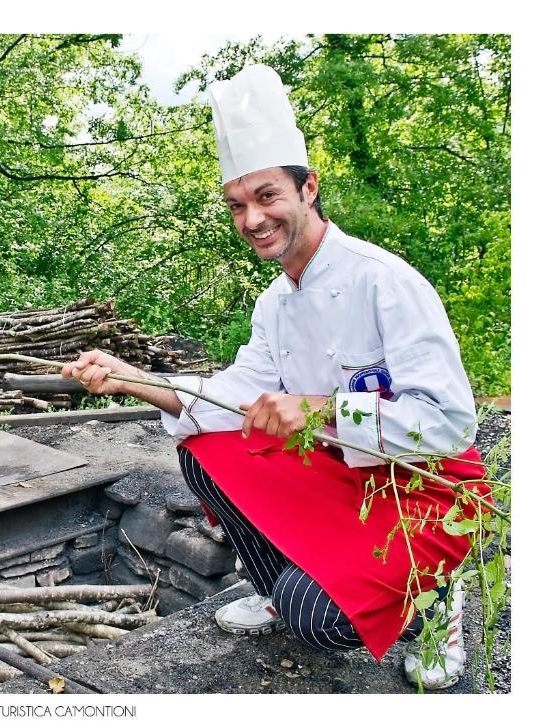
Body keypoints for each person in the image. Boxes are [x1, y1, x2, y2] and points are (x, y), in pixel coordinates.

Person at [61, 64, 488, 690]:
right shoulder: (274, 302)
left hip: (421, 488)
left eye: (267, 196)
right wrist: (130, 378)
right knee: (206, 452)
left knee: (314, 613)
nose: (253, 219)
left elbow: (450, 423)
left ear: (307, 187)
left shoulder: (384, 281)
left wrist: (321, 410)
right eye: (238, 206)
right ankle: (276, 587)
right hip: (342, 472)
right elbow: (230, 396)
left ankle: (434, 604)